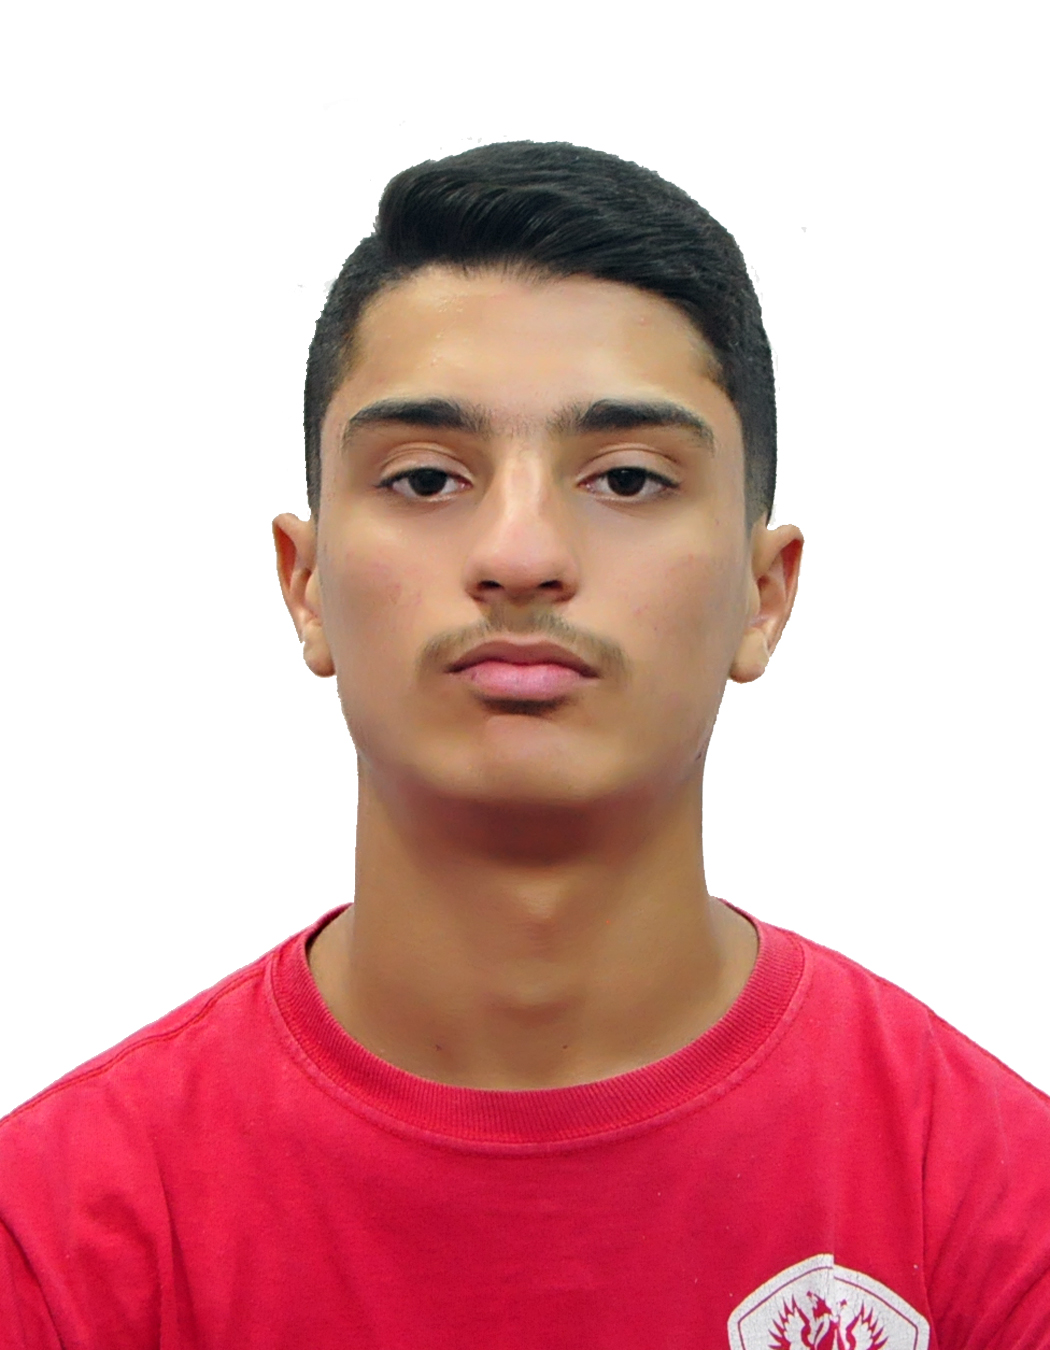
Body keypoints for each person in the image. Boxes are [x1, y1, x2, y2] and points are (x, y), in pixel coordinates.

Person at [1, 140, 1047, 1350]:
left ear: (764, 594)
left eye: (630, 479)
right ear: (305, 584)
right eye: (427, 479)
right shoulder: (58, 1239)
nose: (521, 553)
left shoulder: (988, 1203)